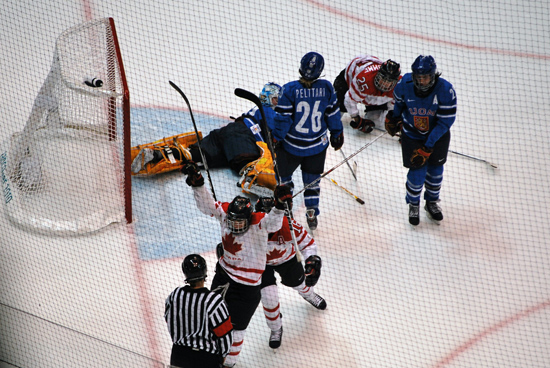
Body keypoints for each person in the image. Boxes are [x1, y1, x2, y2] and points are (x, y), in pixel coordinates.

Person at [181, 161, 292, 367]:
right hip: (223, 275)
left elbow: (274, 223)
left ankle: (229, 364)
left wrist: (279, 207)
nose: (233, 226)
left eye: (239, 223)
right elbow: (207, 205)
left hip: (247, 287)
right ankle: (212, 352)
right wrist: (198, 185)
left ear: (249, 218)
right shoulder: (226, 213)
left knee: (238, 328)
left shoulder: (259, 221)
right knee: (212, 319)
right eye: (231, 222)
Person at [130, 82, 282, 176]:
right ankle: (256, 184)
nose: (278, 103)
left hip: (226, 134)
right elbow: (277, 135)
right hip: (241, 137)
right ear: (268, 98)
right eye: (275, 99)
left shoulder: (258, 109)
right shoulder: (269, 111)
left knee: (195, 155)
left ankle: (157, 154)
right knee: (246, 165)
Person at [272, 51, 344, 230]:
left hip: (292, 146)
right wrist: (337, 134)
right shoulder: (327, 87)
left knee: (283, 176)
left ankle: (285, 203)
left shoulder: (289, 90)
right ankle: (311, 211)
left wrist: (276, 137)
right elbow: (333, 114)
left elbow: (283, 119)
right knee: (312, 180)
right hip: (316, 147)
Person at [385, 55, 457, 225]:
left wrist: (428, 145)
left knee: (435, 173)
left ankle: (431, 202)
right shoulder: (404, 85)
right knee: (417, 174)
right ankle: (413, 203)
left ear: (433, 76)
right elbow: (399, 105)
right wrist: (394, 118)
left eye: (425, 77)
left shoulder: (445, 90)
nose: (422, 81)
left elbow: (445, 122)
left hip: (437, 137)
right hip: (412, 134)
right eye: (418, 77)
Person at [254, 197, 326, 349]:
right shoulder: (251, 227)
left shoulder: (288, 225)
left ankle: (309, 295)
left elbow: (308, 244)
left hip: (286, 259)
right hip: (262, 264)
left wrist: (311, 260)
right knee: (269, 297)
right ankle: (275, 328)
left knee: (302, 283)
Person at [164, 254, 233, 368]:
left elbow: (170, 321)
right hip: (206, 359)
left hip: (178, 355)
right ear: (205, 271)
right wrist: (223, 356)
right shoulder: (214, 300)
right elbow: (225, 334)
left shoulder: (174, 296)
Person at [333, 55, 401, 133]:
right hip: (349, 79)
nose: (384, 84)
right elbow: (349, 100)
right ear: (378, 75)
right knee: (334, 117)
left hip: (371, 87)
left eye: (389, 81)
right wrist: (358, 119)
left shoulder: (399, 87)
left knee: (376, 122)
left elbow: (393, 107)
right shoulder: (364, 80)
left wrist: (394, 121)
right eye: (383, 79)